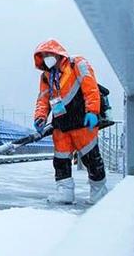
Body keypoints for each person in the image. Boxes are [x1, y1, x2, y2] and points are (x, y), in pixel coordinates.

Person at [32, 39, 108, 204]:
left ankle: (99, 194)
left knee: (91, 158)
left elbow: (91, 88)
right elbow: (43, 99)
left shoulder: (77, 64)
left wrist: (93, 111)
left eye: (49, 54)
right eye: (43, 56)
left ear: (58, 54)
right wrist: (40, 117)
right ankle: (64, 193)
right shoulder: (46, 77)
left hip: (83, 122)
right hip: (61, 126)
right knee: (60, 161)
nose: (46, 58)